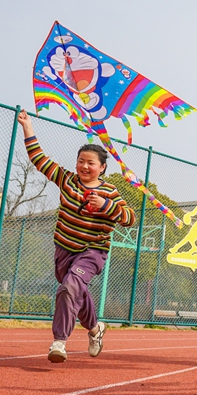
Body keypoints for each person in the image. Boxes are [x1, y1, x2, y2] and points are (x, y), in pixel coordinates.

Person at [16, 109, 135, 363]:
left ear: (102, 168)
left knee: (69, 288)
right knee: (75, 291)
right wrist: (28, 127)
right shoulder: (67, 180)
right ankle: (95, 329)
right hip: (64, 249)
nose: (84, 166)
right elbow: (39, 159)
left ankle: (59, 342)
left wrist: (105, 205)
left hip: (92, 252)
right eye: (81, 160)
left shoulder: (110, 191)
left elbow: (129, 218)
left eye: (91, 163)